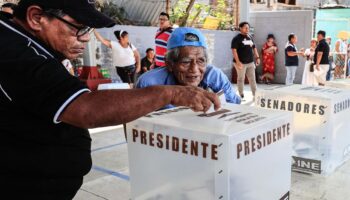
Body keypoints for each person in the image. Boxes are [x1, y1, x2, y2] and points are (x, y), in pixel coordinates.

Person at [0, 0, 221, 198]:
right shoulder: (13, 51)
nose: (85, 38)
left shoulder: (25, 42)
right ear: (36, 18)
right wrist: (170, 93)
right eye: (78, 28)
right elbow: (86, 110)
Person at [137, 27, 241, 109]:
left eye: (201, 61)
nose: (194, 69)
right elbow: (134, 127)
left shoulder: (214, 76)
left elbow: (235, 108)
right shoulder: (149, 83)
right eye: (186, 62)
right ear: (169, 64)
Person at [231, 22, 260, 100]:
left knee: (252, 79)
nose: (247, 29)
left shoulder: (250, 37)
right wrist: (237, 62)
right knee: (241, 79)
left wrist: (257, 57)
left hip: (250, 62)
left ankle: (255, 95)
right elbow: (234, 50)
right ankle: (241, 94)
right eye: (245, 27)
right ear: (240, 28)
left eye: (248, 28)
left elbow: (254, 48)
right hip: (241, 63)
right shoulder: (236, 38)